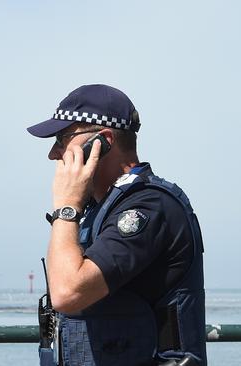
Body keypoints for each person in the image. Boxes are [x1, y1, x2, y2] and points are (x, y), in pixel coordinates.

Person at [27, 84, 206, 366]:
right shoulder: (99, 210)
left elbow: (67, 293)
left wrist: (66, 206)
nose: (53, 153)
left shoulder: (147, 207)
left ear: (103, 140)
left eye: (62, 138)